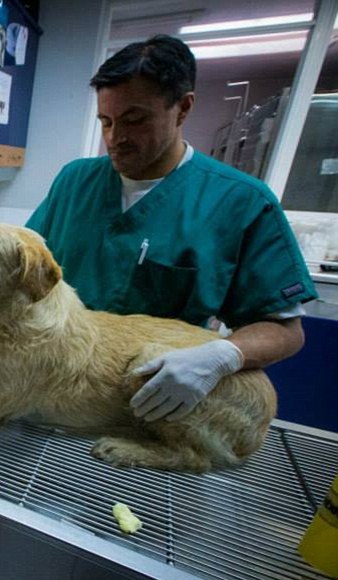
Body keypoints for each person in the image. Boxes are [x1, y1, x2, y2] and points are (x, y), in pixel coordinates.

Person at [26, 35, 317, 424]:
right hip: (52, 392)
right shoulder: (74, 181)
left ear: (183, 107)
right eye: (106, 121)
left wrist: (222, 356)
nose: (114, 138)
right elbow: (22, 272)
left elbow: (285, 330)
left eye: (135, 120)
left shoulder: (242, 202)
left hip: (152, 405)